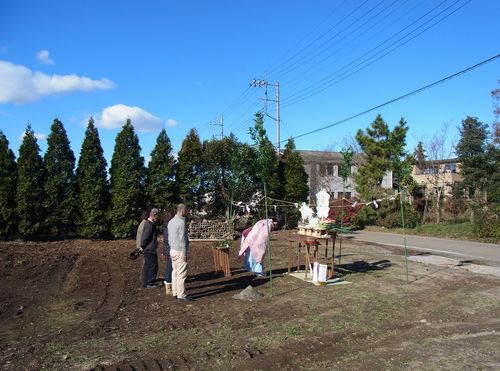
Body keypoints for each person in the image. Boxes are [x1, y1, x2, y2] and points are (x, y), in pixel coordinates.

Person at [167, 203, 193, 302]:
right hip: (179, 250)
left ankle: (175, 292)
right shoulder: (181, 222)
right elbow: (182, 239)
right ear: (182, 211)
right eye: (186, 211)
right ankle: (181, 295)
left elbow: (169, 237)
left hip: (172, 250)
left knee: (175, 272)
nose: (187, 213)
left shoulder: (171, 222)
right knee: (181, 274)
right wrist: (184, 253)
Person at [140, 208, 159, 288]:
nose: (158, 218)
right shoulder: (149, 225)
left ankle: (146, 282)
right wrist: (142, 246)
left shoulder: (149, 224)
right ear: (154, 215)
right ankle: (150, 283)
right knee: (153, 266)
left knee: (149, 266)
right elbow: (145, 237)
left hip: (148, 249)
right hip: (149, 249)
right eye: (157, 216)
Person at [162, 208, 175, 295]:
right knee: (170, 268)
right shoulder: (168, 227)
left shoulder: (166, 226)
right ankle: (168, 287)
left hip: (168, 249)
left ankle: (170, 285)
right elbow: (168, 240)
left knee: (170, 267)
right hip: (170, 249)